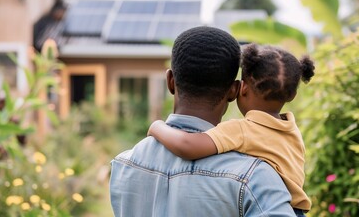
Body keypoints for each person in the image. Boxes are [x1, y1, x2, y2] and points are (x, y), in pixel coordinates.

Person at [110, 26, 297, 216]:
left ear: (170, 81)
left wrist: (156, 126)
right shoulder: (253, 178)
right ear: (234, 90)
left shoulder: (123, 164)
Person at [147, 43, 315, 215]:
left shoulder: (242, 130)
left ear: (242, 88)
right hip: (294, 209)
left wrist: (157, 127)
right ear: (292, 95)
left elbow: (187, 146)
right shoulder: (291, 128)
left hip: (269, 207)